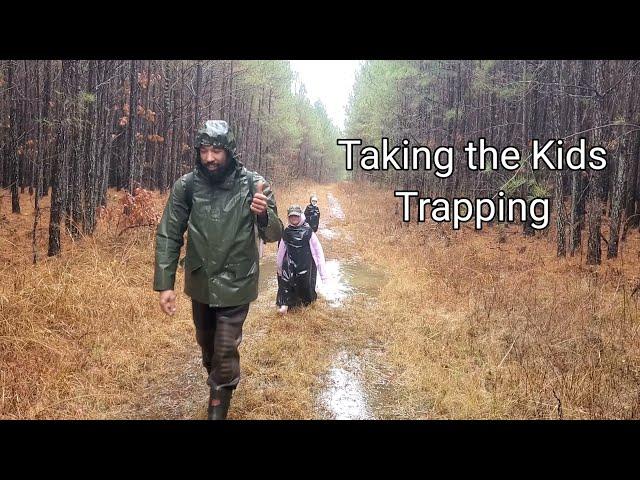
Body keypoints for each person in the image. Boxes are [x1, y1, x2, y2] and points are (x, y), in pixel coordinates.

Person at [153, 120, 283, 420]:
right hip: (200, 281)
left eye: (216, 150)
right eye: (204, 150)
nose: (209, 157)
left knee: (225, 349)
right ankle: (218, 383)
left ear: (230, 151)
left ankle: (217, 409)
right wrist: (165, 284)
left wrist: (263, 215)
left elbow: (275, 234)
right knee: (208, 345)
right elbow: (169, 233)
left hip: (237, 281)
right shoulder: (187, 186)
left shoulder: (254, 184)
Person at [276, 205, 327, 314]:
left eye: (296, 216)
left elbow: (318, 251)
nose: (294, 218)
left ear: (300, 216)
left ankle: (305, 301)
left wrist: (323, 274)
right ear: (288, 217)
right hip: (290, 263)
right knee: (285, 281)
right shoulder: (286, 231)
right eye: (291, 216)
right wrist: (279, 267)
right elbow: (281, 251)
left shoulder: (308, 231)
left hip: (305, 264)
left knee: (304, 283)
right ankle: (284, 304)